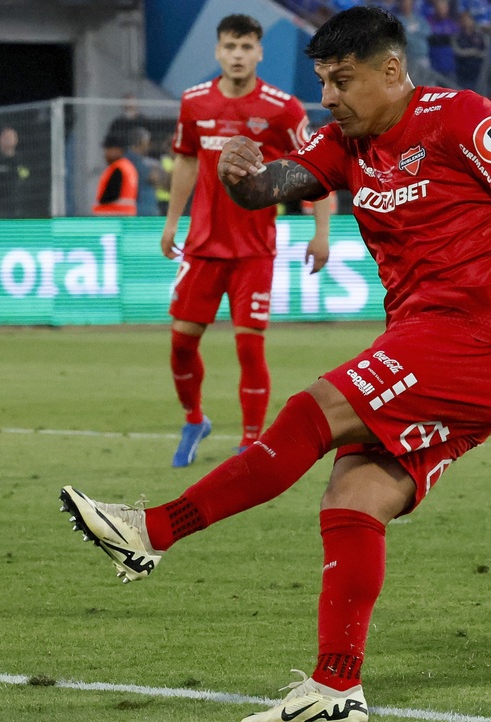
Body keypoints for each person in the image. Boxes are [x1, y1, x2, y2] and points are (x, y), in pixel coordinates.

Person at [61, 7, 491, 722]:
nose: (328, 97)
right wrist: (238, 174)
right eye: (321, 81)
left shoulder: (457, 115)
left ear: (391, 70)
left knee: (309, 413)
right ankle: (336, 689)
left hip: (472, 342)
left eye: (341, 81)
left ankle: (151, 531)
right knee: (353, 497)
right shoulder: (346, 142)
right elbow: (270, 188)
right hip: (427, 343)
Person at [162, 13, 330, 468]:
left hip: (254, 249)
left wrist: (321, 233)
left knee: (248, 347)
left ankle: (250, 443)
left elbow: (317, 168)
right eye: (230, 47)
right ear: (218, 51)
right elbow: (185, 161)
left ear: (259, 52)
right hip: (202, 246)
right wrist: (171, 222)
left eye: (246, 47)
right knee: (180, 345)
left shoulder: (282, 109)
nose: (237, 55)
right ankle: (194, 420)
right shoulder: (194, 102)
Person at [92, 133, 138, 215]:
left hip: (112, 215)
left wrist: (101, 202)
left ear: (118, 150)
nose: (105, 154)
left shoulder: (118, 168)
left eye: (108, 149)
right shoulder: (128, 167)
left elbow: (110, 196)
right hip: (125, 215)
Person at [126, 126, 161, 217]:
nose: (149, 145)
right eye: (147, 142)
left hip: (140, 209)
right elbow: (154, 178)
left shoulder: (129, 159)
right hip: (142, 210)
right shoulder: (136, 162)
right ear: (142, 142)